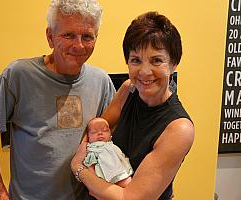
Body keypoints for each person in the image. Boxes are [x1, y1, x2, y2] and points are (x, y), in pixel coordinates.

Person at [0, 0, 116, 199]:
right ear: (50, 37)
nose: (79, 45)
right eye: (68, 35)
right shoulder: (18, 75)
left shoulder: (101, 81)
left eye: (87, 36)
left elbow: (112, 140)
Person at [71, 11, 195, 200]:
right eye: (136, 60)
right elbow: (96, 132)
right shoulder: (129, 90)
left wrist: (79, 169)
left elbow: (131, 198)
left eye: (156, 60)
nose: (145, 72)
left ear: (173, 63)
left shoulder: (179, 128)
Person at [84, 117, 133, 188]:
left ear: (110, 134)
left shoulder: (111, 145)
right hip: (108, 177)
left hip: (122, 171)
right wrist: (94, 181)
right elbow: (91, 164)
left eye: (105, 130)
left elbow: (120, 155)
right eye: (94, 132)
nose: (100, 133)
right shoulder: (93, 148)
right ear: (88, 137)